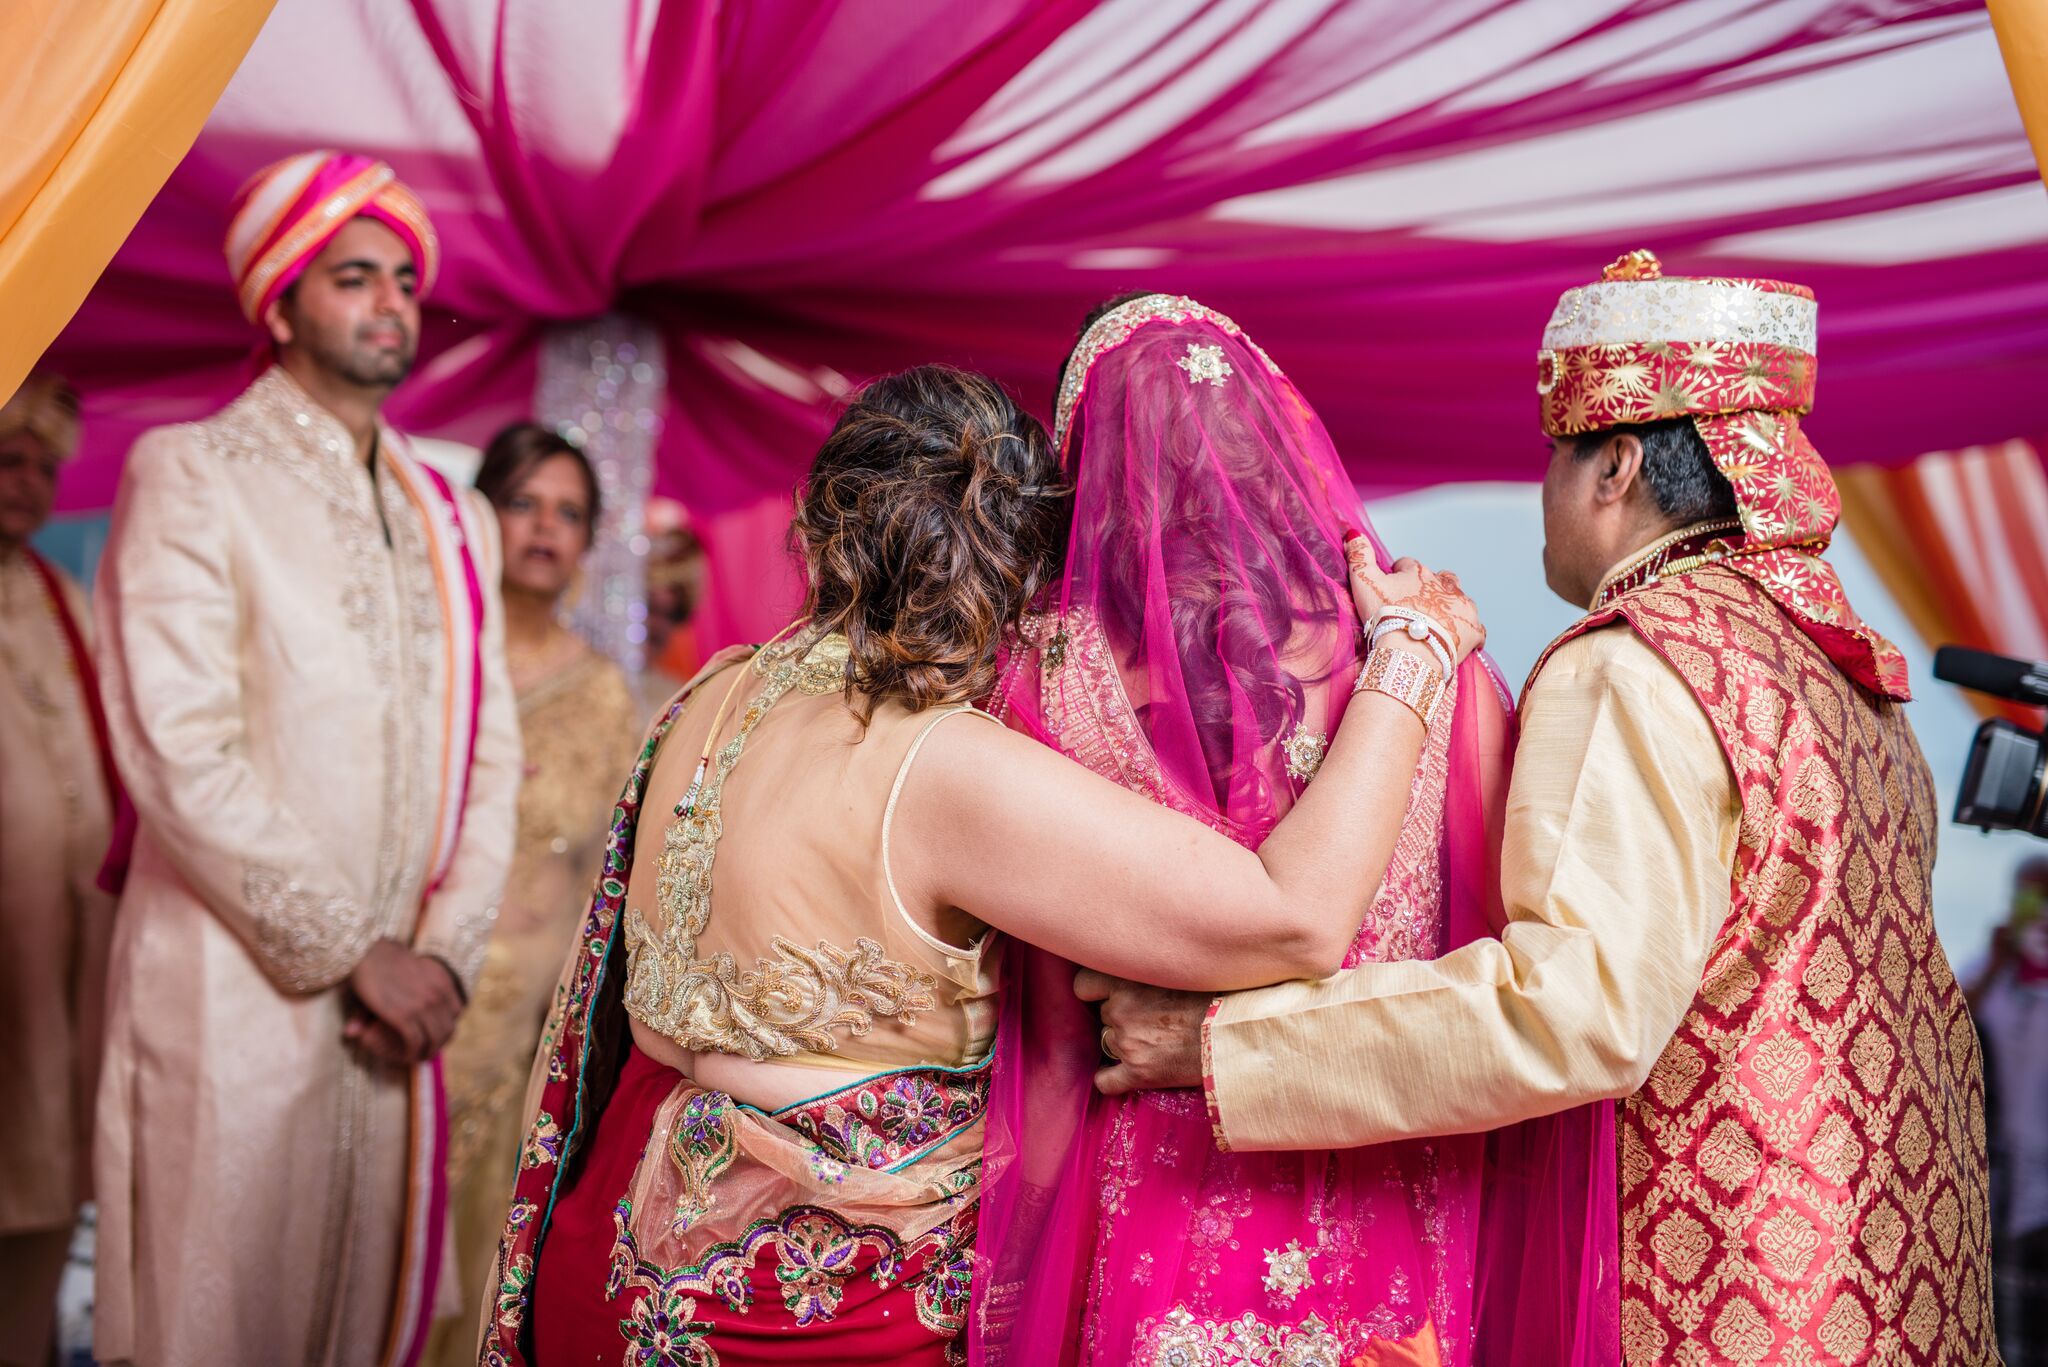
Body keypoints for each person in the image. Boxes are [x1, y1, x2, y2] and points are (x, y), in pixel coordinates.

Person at [1088, 251, 1997, 1364]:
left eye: (1552, 461)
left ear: (1613, 466)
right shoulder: (1841, 672)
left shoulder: (1635, 661)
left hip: (1728, 1291)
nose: (1542, 499)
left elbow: (1570, 1010)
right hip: (1889, 1279)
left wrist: (1224, 1045)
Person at [478, 364, 1484, 1365]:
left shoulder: (706, 692)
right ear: (1025, 560)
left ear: (819, 519)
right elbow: (1293, 913)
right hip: (798, 1309)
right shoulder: (942, 764)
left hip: (611, 1262)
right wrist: (1412, 652)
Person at [979, 292, 1609, 1366]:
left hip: (1141, 1206)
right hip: (1387, 1206)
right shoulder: (1437, 668)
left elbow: (1027, 1025)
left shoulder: (1036, 680)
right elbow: (1483, 950)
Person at [91, 151, 520, 1366]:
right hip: (237, 983)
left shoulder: (455, 509)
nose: (390, 303)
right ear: (280, 301)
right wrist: (349, 950)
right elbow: (177, 748)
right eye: (353, 277)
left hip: (399, 1014)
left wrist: (436, 959)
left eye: (402, 279)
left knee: (361, 1318)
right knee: (211, 1311)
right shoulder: (193, 474)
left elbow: (491, 755)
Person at [423, 423, 640, 1367]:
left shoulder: (604, 696)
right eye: (524, 503)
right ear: (482, 513)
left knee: (482, 1267)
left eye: (569, 512)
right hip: (410, 1008)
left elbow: (612, 882)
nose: (546, 528)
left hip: (527, 1039)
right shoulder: (433, 668)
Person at [0, 375, 121, 1367]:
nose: (27, 481)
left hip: (60, 988)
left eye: (44, 466)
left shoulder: (60, 595)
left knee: (42, 1224)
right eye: (8, 457)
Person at [1969, 857, 2048, 1365]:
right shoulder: (1993, 969)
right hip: (2003, 1187)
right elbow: (1944, 1023)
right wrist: (1998, 963)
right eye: (2027, 896)